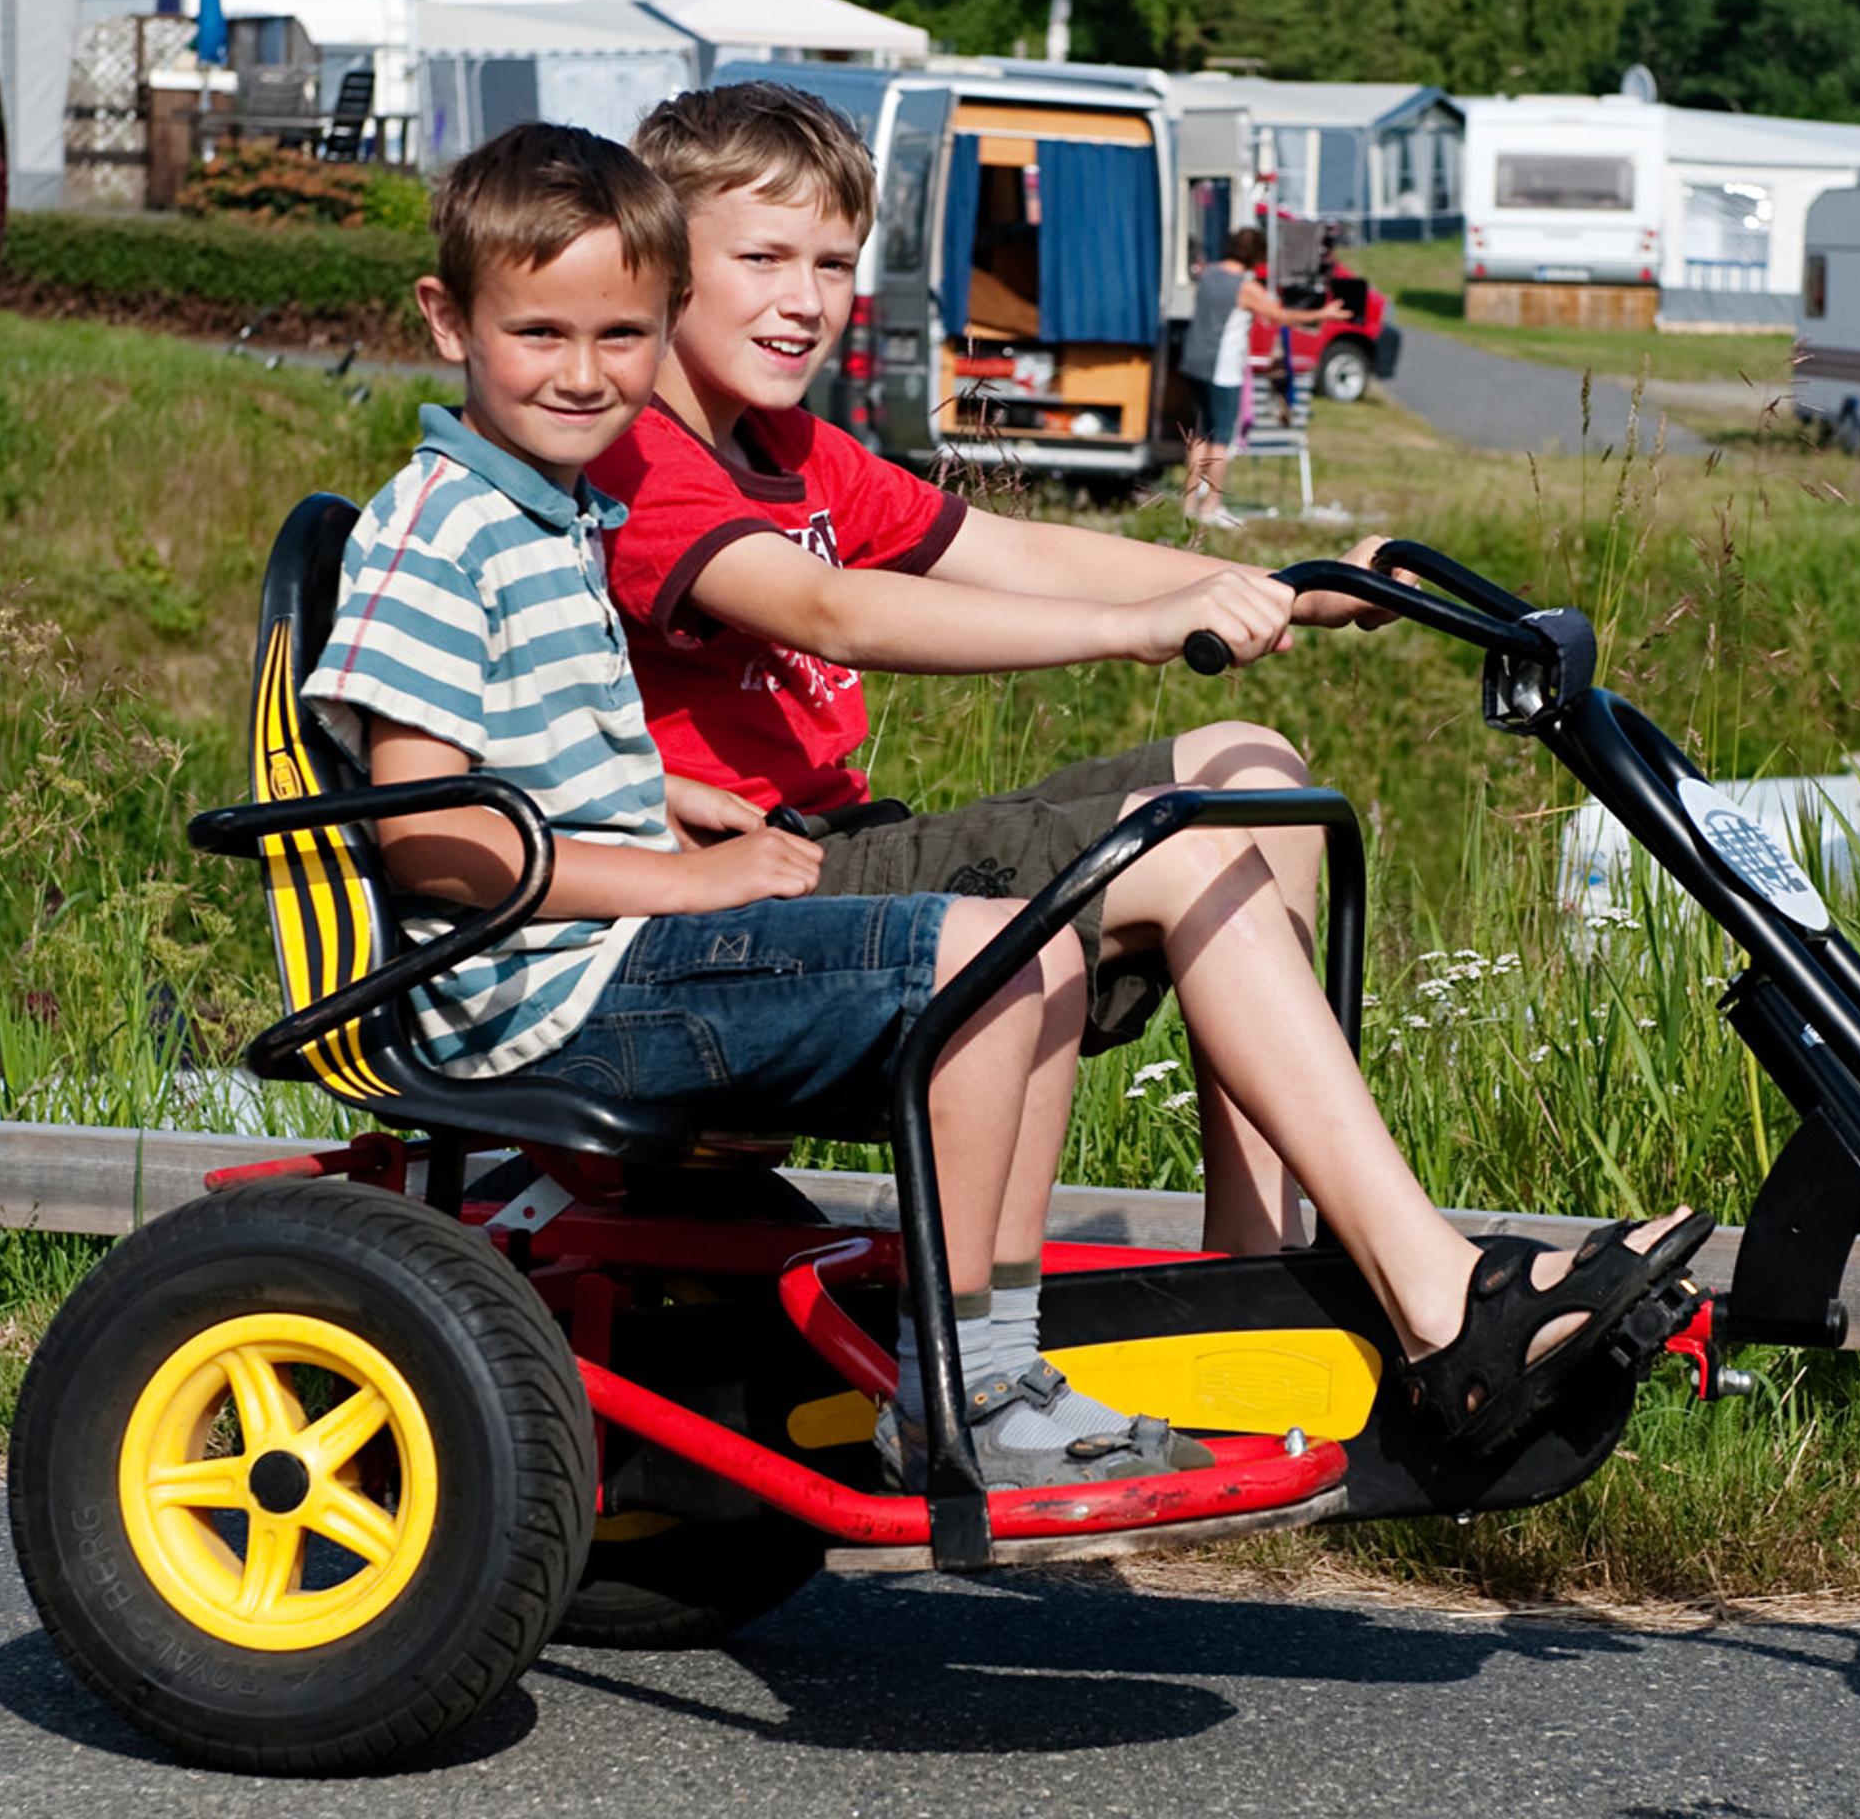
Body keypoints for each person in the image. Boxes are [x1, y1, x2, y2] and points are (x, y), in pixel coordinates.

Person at [598, 82, 1702, 1440]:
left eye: (833, 263)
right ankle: (1440, 1302)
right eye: (761, 258)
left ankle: (1253, 1277)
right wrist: (1133, 632)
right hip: (754, 889)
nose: (805, 299)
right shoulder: (641, 455)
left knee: (1250, 762)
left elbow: (1019, 550)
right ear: (656, 265)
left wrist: (1280, 591)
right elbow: (824, 610)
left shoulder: (791, 447)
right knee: (1182, 840)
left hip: (835, 846)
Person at [304, 122, 1204, 1491]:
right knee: (980, 949)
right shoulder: (442, 531)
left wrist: (658, 790)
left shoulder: (546, 514)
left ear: (661, 327)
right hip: (539, 993)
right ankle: (967, 1383)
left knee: (1024, 938)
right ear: (447, 319)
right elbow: (430, 830)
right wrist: (680, 880)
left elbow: (508, 750)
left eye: (620, 337)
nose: (586, 374)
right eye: (541, 332)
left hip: (592, 958)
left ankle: (994, 1356)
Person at [1177, 224, 1348, 526]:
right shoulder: (1245, 287)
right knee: (1221, 439)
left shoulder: (1210, 273)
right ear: (1256, 256)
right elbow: (1281, 316)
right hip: (1222, 369)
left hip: (1194, 363)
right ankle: (1211, 507)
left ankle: (1189, 504)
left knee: (1200, 434)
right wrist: (1324, 314)